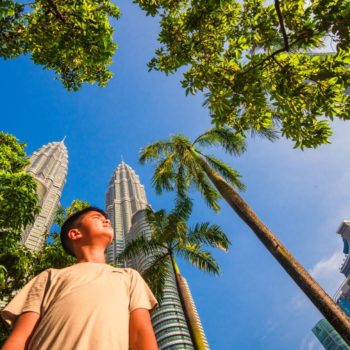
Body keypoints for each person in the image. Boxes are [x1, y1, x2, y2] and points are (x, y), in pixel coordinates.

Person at [1, 207, 158, 350]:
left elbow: (140, 335)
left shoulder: (129, 276)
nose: (107, 220)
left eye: (106, 218)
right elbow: (20, 339)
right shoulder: (50, 276)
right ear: (75, 233)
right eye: (96, 217)